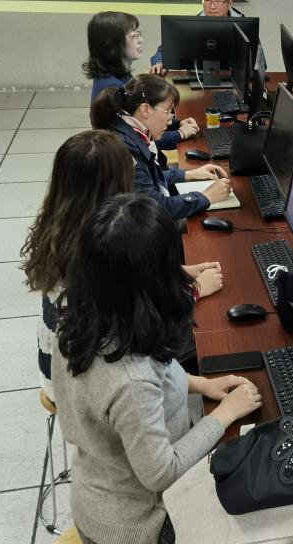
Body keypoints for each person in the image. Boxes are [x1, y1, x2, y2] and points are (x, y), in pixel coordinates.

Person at [52, 193, 261, 544]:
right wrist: (224, 414)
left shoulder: (86, 320)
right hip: (141, 524)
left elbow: (149, 375)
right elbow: (162, 473)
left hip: (99, 489)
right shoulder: (130, 380)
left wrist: (199, 384)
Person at [23, 131, 224, 399]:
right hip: (79, 381)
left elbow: (129, 285)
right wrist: (194, 290)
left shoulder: (63, 224)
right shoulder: (101, 243)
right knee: (214, 332)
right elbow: (137, 320)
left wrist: (179, 273)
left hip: (61, 361)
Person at [90, 74, 232, 219]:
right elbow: (157, 208)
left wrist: (189, 174)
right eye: (168, 111)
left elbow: (148, 179)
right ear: (145, 110)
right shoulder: (126, 150)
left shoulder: (131, 133)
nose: (170, 121)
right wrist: (206, 196)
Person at [82, 11, 198, 148]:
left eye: (138, 34)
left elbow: (144, 123)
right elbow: (142, 140)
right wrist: (180, 133)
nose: (141, 40)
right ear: (112, 44)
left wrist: (177, 124)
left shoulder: (118, 76)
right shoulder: (114, 88)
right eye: (134, 36)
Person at [149, 0, 244, 75]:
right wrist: (159, 63)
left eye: (218, 1)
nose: (212, 6)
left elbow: (252, 57)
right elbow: (164, 51)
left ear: (230, 3)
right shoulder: (191, 25)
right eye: (207, 0)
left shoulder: (242, 25)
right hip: (197, 78)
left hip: (234, 79)